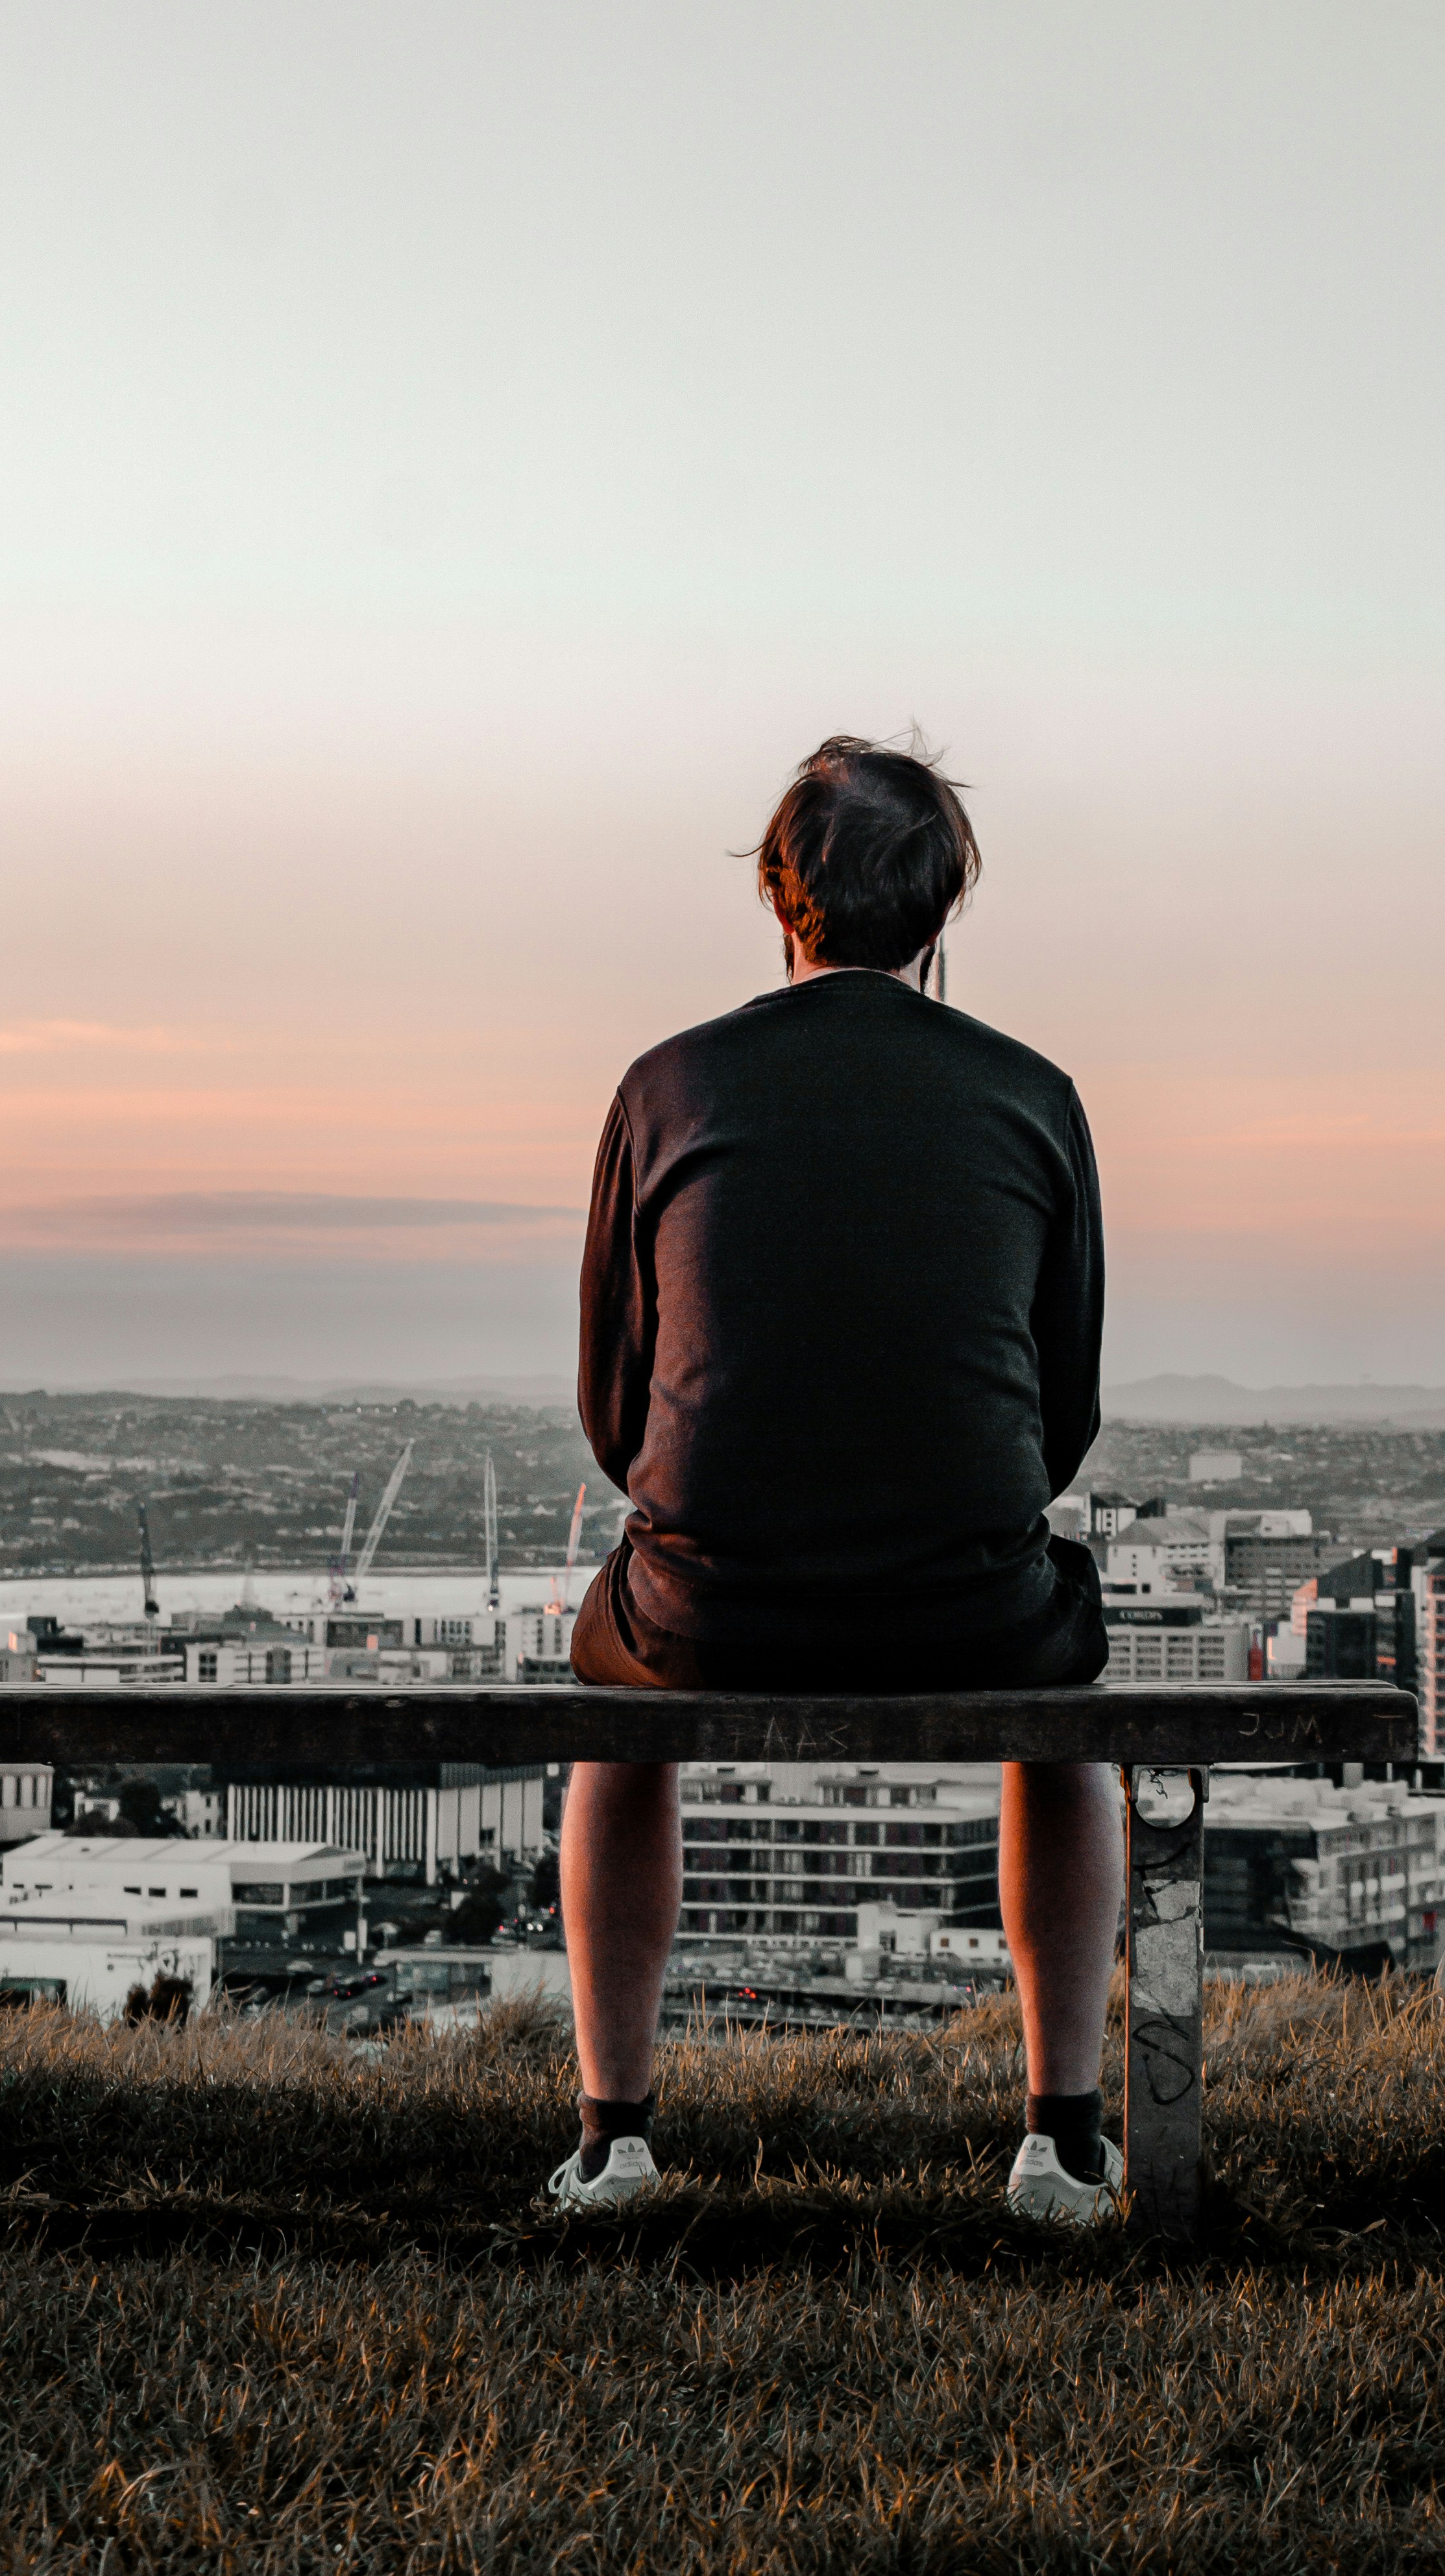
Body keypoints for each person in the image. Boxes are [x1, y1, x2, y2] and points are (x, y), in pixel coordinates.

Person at [546, 733, 1124, 2222]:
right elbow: (1060, 1423)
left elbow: (617, 1411)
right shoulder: (1032, 1095)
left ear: (775, 891)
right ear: (939, 913)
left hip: (701, 1608)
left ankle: (615, 2139)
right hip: (975, 1612)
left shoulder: (669, 1084)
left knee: (615, 1703)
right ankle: (1061, 2136)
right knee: (1059, 1716)